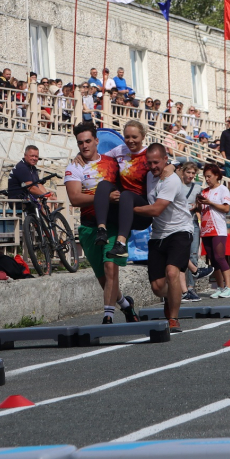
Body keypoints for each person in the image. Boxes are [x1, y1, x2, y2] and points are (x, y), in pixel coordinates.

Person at [64, 122, 139, 324]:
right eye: (80, 143)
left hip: (112, 225)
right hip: (89, 226)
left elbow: (136, 158)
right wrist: (102, 197)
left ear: (97, 141)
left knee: (110, 267)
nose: (85, 146)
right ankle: (125, 304)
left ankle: (108, 316)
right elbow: (75, 198)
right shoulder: (74, 166)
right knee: (103, 279)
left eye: (88, 141)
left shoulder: (111, 161)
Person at [133, 144, 193, 333]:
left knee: (172, 273)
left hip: (180, 230)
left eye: (156, 162)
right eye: (149, 163)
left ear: (165, 160)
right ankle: (172, 296)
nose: (153, 166)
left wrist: (129, 210)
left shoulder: (171, 180)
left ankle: (173, 318)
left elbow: (157, 209)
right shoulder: (150, 175)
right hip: (158, 234)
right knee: (158, 287)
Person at [90, 121, 170, 259]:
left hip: (141, 207)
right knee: (103, 185)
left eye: (134, 137)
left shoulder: (148, 153)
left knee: (126, 195)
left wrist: (171, 167)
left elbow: (172, 165)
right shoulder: (119, 150)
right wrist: (79, 156)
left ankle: (120, 244)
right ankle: (101, 229)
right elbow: (97, 159)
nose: (130, 141)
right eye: (127, 137)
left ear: (143, 136)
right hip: (123, 206)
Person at [197, 164, 230, 298]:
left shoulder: (223, 189)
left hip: (218, 228)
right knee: (213, 259)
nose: (207, 179)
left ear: (217, 175)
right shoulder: (204, 191)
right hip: (206, 229)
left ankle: (229, 287)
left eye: (209, 176)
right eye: (205, 176)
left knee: (220, 257)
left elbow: (226, 209)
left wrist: (210, 202)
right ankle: (220, 287)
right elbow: (201, 208)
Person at [178, 162, 212, 302]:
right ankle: (183, 288)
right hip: (179, 224)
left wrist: (197, 206)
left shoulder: (197, 187)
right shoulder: (176, 186)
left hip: (192, 223)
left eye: (193, 173)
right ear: (183, 172)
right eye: (188, 172)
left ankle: (191, 287)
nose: (191, 176)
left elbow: (200, 207)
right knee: (181, 254)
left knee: (193, 256)